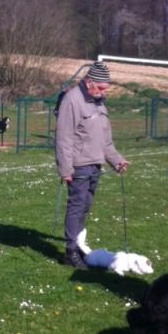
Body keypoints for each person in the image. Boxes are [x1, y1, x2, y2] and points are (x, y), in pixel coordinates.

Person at [55, 61, 129, 269]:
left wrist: (117, 160)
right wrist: (65, 169)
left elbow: (105, 140)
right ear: (89, 82)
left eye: (106, 88)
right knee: (76, 207)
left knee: (85, 208)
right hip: (78, 166)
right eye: (101, 88)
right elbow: (63, 138)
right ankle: (70, 253)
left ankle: (78, 245)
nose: (104, 92)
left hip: (95, 165)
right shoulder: (72, 100)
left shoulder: (99, 102)